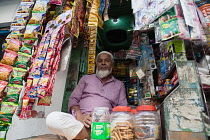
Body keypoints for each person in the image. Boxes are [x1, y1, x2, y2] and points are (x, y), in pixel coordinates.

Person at [46, 51, 128, 140]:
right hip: (81, 122)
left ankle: (84, 135)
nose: (103, 63)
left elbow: (123, 108)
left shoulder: (119, 85)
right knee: (52, 118)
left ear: (112, 64)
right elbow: (73, 100)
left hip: (106, 124)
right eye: (100, 61)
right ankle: (90, 135)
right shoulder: (86, 79)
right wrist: (81, 117)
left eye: (107, 60)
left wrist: (106, 119)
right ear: (97, 64)